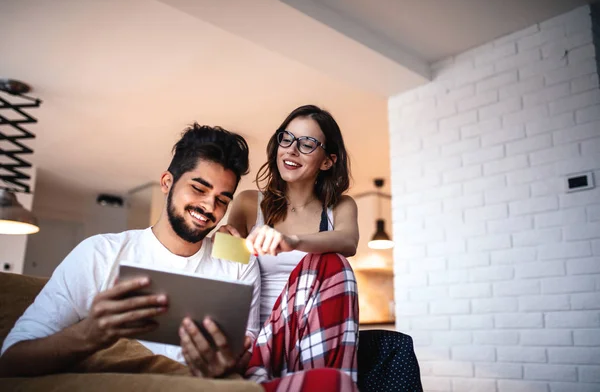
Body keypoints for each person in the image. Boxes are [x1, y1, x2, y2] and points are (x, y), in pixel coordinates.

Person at [0, 124, 261, 378]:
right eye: (199, 188)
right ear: (167, 182)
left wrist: (227, 366)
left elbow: (248, 354)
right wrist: (89, 334)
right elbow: (11, 359)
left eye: (222, 199)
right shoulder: (100, 253)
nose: (209, 206)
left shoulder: (236, 259)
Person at [191, 105, 361, 390]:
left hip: (311, 335)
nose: (292, 150)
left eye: (307, 144)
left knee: (334, 263)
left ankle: (321, 381)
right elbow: (230, 262)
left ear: (327, 161)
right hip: (259, 338)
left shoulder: (339, 207)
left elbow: (349, 241)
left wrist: (292, 242)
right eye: (287, 139)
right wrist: (225, 240)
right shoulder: (249, 203)